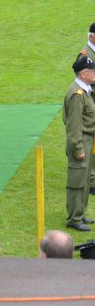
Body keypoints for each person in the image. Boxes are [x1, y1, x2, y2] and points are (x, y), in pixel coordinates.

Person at [63, 55, 95, 231]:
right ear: (83, 74)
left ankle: (80, 214)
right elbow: (73, 125)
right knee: (77, 181)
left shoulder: (86, 90)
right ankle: (74, 219)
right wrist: (78, 148)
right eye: (92, 71)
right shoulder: (77, 94)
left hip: (88, 140)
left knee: (85, 179)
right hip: (81, 141)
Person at [79, 23, 95, 195]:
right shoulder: (86, 55)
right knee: (90, 143)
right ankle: (91, 181)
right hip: (91, 105)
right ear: (91, 36)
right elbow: (85, 81)